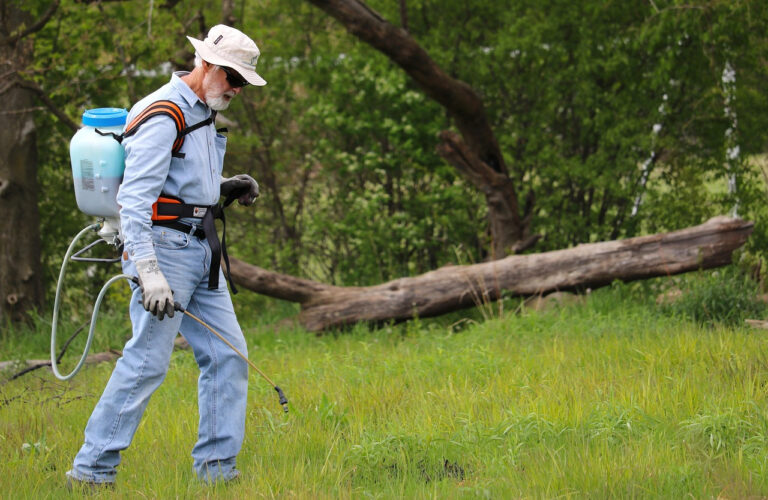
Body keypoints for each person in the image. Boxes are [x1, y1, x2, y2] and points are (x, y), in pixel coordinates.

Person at [66, 24, 266, 487]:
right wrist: (149, 272)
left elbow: (182, 186)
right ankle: (91, 472)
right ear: (208, 65)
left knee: (228, 356)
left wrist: (225, 186)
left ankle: (218, 473)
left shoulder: (202, 110)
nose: (236, 90)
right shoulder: (163, 113)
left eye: (242, 83)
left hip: (200, 247)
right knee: (147, 362)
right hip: (164, 252)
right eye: (232, 78)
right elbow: (133, 203)